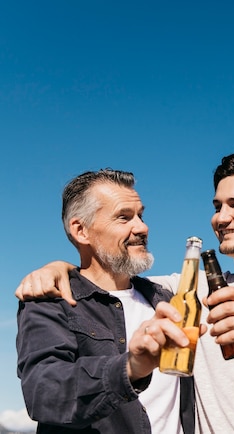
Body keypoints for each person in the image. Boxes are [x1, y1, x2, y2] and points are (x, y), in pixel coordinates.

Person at [16, 145, 234, 434]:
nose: (221, 218)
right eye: (217, 206)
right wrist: (58, 266)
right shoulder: (180, 292)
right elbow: (106, 279)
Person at [16, 169, 200, 434]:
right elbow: (45, 395)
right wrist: (131, 367)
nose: (142, 227)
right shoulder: (50, 302)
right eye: (124, 217)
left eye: (141, 215)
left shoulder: (168, 300)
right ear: (81, 230)